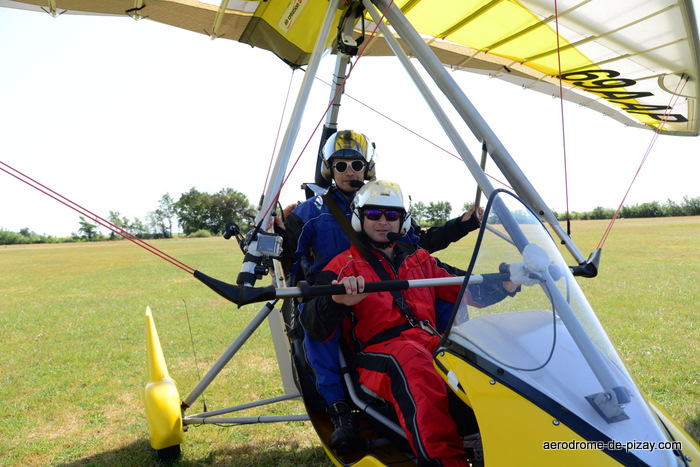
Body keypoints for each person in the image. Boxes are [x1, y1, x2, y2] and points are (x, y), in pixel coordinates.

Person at [274, 130, 483, 449]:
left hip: (384, 285)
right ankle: (338, 406)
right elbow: (292, 256)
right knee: (316, 320)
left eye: (356, 164)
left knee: (442, 293)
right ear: (329, 169)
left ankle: (459, 392)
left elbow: (417, 243)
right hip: (336, 287)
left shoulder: (381, 200)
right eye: (340, 166)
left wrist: (462, 225)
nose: (349, 172)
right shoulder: (310, 211)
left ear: (368, 167)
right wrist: (279, 238)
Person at [300, 180, 519, 467]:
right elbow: (312, 323)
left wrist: (507, 283)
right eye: (374, 214)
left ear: (403, 221)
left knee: (483, 358)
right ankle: (444, 461)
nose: (382, 222)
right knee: (414, 364)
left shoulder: (421, 260)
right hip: (378, 354)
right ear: (358, 217)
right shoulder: (342, 266)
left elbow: (466, 288)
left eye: (391, 216)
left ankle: (506, 443)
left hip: (428, 342)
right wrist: (337, 300)